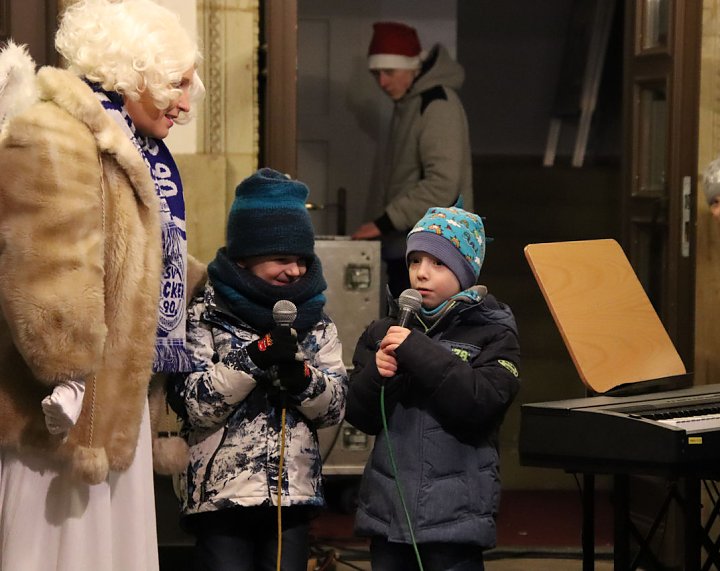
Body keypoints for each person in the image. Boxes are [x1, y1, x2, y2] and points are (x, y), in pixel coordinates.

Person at [0, 1, 205, 570]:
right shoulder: (56, 132)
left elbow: (138, 263)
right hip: (61, 410)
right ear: (131, 71)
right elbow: (44, 269)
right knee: (59, 550)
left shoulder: (138, 151)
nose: (186, 103)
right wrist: (65, 367)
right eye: (175, 84)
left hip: (115, 402)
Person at [167, 168, 348, 571]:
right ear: (246, 257)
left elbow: (335, 408)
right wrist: (255, 357)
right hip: (220, 502)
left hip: (293, 499)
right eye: (282, 259)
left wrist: (305, 381)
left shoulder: (316, 321)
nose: (296, 271)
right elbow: (194, 404)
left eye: (302, 260)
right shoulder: (204, 314)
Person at [346, 206, 521, 570]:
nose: (421, 273)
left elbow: (482, 403)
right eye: (415, 261)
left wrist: (417, 349)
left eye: (438, 264)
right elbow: (361, 416)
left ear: (465, 272)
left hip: (454, 521)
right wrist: (377, 376)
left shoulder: (494, 333)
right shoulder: (383, 332)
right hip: (388, 517)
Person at [351, 21, 473, 298]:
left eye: (389, 71)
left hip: (436, 253)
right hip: (415, 247)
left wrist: (384, 222)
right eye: (376, 73)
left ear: (413, 66)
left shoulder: (437, 103)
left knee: (420, 338)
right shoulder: (412, 102)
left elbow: (443, 184)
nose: (382, 82)